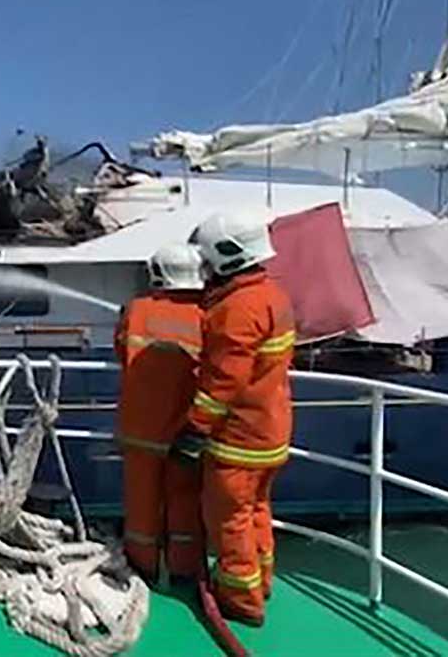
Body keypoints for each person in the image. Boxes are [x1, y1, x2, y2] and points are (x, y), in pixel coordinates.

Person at [173, 210, 295, 627]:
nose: (205, 268)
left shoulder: (237, 309)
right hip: (271, 431)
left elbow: (224, 380)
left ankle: (241, 601)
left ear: (229, 255)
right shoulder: (272, 295)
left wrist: (195, 429)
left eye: (208, 259)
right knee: (256, 510)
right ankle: (261, 582)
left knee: (230, 520)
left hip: (239, 439)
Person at [114, 243, 205, 584]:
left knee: (142, 504)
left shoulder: (136, 310)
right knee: (184, 502)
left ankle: (143, 568)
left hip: (140, 428)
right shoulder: (207, 315)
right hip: (187, 427)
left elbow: (121, 351)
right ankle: (184, 569)